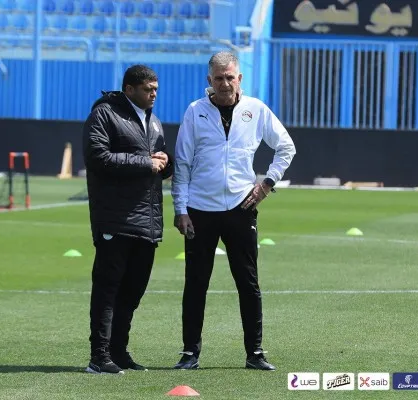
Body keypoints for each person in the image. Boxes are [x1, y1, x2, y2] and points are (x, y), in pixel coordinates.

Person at [171, 52, 296, 371]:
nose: (225, 83)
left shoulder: (256, 109)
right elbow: (182, 162)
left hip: (242, 207)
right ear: (208, 81)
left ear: (240, 78)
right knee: (196, 282)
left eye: (230, 77)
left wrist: (267, 184)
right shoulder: (195, 111)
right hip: (200, 209)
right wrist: (180, 208)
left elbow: (286, 147)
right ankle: (189, 353)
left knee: (248, 282)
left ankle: (255, 353)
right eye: (218, 78)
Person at [83, 65, 173, 374]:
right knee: (108, 289)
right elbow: (98, 158)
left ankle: (119, 352)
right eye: (148, 89)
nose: (154, 95)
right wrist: (145, 162)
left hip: (146, 221)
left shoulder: (155, 122)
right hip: (115, 218)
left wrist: (166, 163)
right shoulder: (105, 114)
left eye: (156, 89)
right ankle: (99, 355)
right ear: (129, 89)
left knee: (133, 291)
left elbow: (158, 163)